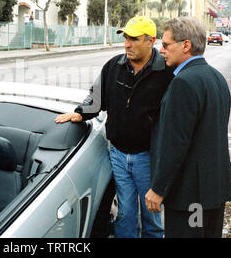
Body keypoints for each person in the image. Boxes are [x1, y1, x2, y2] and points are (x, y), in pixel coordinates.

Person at [55, 16, 175, 238]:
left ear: (151, 41)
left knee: (152, 218)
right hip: (118, 155)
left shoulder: (167, 73)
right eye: (126, 38)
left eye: (134, 39)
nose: (127, 44)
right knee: (125, 215)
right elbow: (97, 97)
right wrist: (80, 113)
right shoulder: (114, 66)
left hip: (148, 159)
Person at [145, 17, 231, 238]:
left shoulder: (184, 83)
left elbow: (175, 144)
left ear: (185, 45)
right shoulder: (216, 77)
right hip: (214, 191)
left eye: (166, 45)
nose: (161, 50)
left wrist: (158, 189)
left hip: (190, 197)